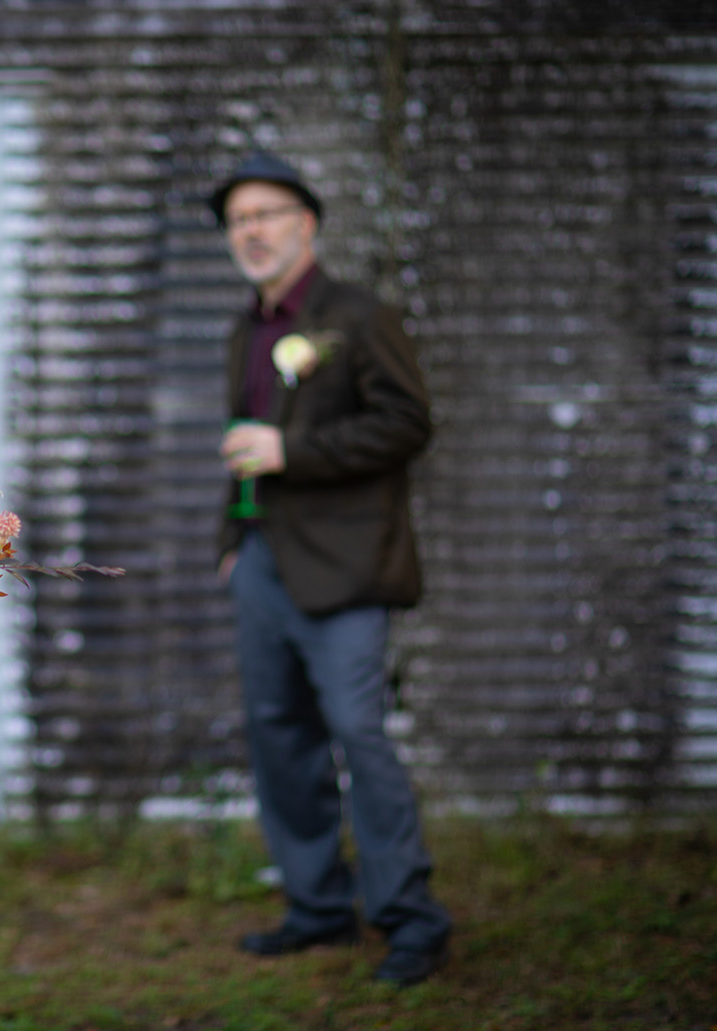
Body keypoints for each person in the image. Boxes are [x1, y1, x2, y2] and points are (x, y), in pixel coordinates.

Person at [209, 150, 452, 987]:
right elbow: (243, 446)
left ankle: (411, 919)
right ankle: (317, 908)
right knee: (280, 739)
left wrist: (293, 449)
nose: (252, 231)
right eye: (239, 220)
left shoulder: (359, 313)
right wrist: (230, 547)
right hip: (262, 563)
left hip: (347, 570)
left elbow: (406, 424)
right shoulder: (247, 325)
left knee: (358, 733)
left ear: (306, 223)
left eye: (267, 214)